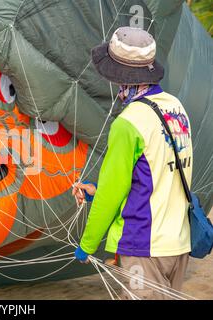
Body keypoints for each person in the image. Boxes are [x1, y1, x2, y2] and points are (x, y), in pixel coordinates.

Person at [73, 27, 193, 300]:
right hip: (178, 242)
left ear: (120, 76)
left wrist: (88, 244)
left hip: (144, 245)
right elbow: (160, 175)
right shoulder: (176, 107)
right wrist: (96, 190)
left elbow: (112, 193)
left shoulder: (128, 122)